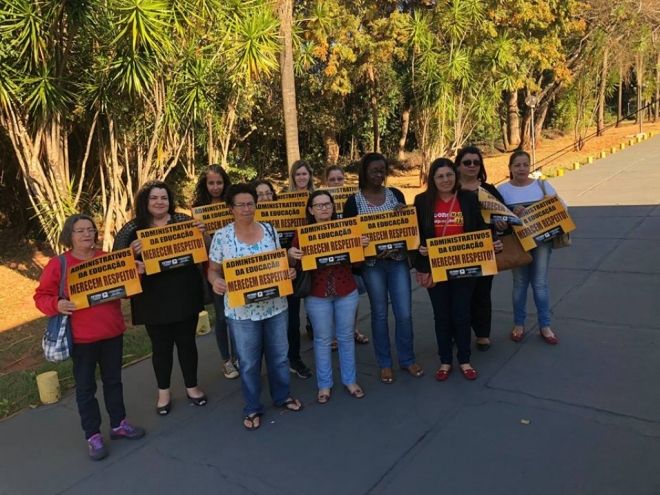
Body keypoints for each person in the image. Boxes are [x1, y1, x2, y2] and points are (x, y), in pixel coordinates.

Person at [34, 214, 145, 461]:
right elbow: (40, 296)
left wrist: (136, 272)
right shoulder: (59, 264)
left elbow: (125, 292)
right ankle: (92, 435)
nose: (87, 234)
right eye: (80, 231)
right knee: (85, 388)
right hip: (82, 339)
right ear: (69, 236)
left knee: (114, 381)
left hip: (112, 333)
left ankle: (119, 424)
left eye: (91, 230)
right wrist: (57, 304)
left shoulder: (107, 260)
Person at [207, 183, 303, 431]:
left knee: (279, 357)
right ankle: (252, 407)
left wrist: (289, 270)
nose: (246, 209)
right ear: (231, 208)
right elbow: (213, 269)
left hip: (275, 307)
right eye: (240, 204)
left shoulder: (270, 230)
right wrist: (216, 281)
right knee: (249, 362)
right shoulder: (222, 236)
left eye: (250, 203)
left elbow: (280, 262)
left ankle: (282, 396)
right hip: (242, 313)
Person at [114, 181, 207, 416]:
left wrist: (202, 233)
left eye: (163, 198)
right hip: (151, 298)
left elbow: (205, 250)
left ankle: (192, 386)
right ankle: (163, 393)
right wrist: (130, 254)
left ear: (170, 201)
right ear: (145, 202)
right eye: (154, 198)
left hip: (184, 291)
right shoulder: (131, 229)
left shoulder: (183, 221)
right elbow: (117, 265)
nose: (159, 202)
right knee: (161, 347)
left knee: (187, 343)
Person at [414, 159, 502, 381]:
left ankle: (464, 359)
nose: (445, 180)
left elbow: (480, 228)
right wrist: (420, 251)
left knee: (462, 314)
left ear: (455, 176)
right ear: (432, 179)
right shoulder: (422, 201)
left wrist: (492, 242)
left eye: (449, 175)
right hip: (436, 269)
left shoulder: (468, 198)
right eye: (440, 176)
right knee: (441, 316)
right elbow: (415, 235)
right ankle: (445, 360)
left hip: (465, 268)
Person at [343, 152, 423, 384]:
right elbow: (350, 237)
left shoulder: (395, 195)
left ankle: (407, 359)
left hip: (397, 261)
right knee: (379, 314)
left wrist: (404, 213)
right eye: (374, 170)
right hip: (372, 265)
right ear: (364, 173)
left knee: (404, 313)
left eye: (382, 170)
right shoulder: (354, 202)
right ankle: (385, 363)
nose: (379, 174)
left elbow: (410, 228)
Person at [288, 191, 367, 403]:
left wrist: (361, 247)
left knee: (346, 337)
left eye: (327, 205)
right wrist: (291, 257)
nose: (323, 209)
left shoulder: (347, 229)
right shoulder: (302, 233)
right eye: (318, 205)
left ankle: (350, 380)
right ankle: (324, 385)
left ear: (333, 208)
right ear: (311, 210)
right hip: (317, 294)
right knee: (322, 340)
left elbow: (357, 265)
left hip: (346, 290)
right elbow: (293, 266)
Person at [497, 150, 560, 345]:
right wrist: (509, 214)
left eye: (525, 164)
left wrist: (537, 208)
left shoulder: (542, 185)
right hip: (517, 244)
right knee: (520, 284)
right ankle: (519, 324)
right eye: (517, 165)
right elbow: (496, 217)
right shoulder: (502, 190)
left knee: (540, 283)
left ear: (530, 166)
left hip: (542, 242)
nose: (522, 168)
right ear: (510, 168)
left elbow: (562, 208)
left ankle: (545, 325)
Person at [455, 146, 507, 352]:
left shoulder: (489, 190)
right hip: (456, 250)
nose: (472, 166)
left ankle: (483, 333)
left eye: (476, 162)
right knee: (459, 295)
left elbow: (504, 216)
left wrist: (503, 224)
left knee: (482, 293)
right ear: (458, 165)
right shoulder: (449, 189)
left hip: (485, 249)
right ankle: (458, 332)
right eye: (467, 162)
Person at [192, 165, 238, 380]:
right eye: (211, 183)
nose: (216, 187)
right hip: (215, 267)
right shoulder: (198, 210)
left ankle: (239, 356)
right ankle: (226, 360)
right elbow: (206, 248)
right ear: (205, 184)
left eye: (219, 182)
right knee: (221, 317)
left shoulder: (233, 204)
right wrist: (201, 233)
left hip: (237, 265)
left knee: (238, 312)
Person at [323, 165, 370, 346]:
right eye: (332, 179)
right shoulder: (323, 201)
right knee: (332, 293)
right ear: (326, 181)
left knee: (353, 295)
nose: (336, 183)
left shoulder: (354, 199)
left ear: (344, 179)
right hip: (332, 255)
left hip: (353, 254)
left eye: (339, 179)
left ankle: (353, 330)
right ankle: (334, 334)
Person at [284, 160, 315, 379]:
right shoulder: (283, 200)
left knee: (316, 304)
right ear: (293, 177)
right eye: (298, 174)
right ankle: (293, 357)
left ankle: (315, 330)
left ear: (310, 176)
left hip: (314, 257)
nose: (301, 178)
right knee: (292, 312)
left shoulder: (317, 197)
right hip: (291, 258)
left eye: (304, 174)